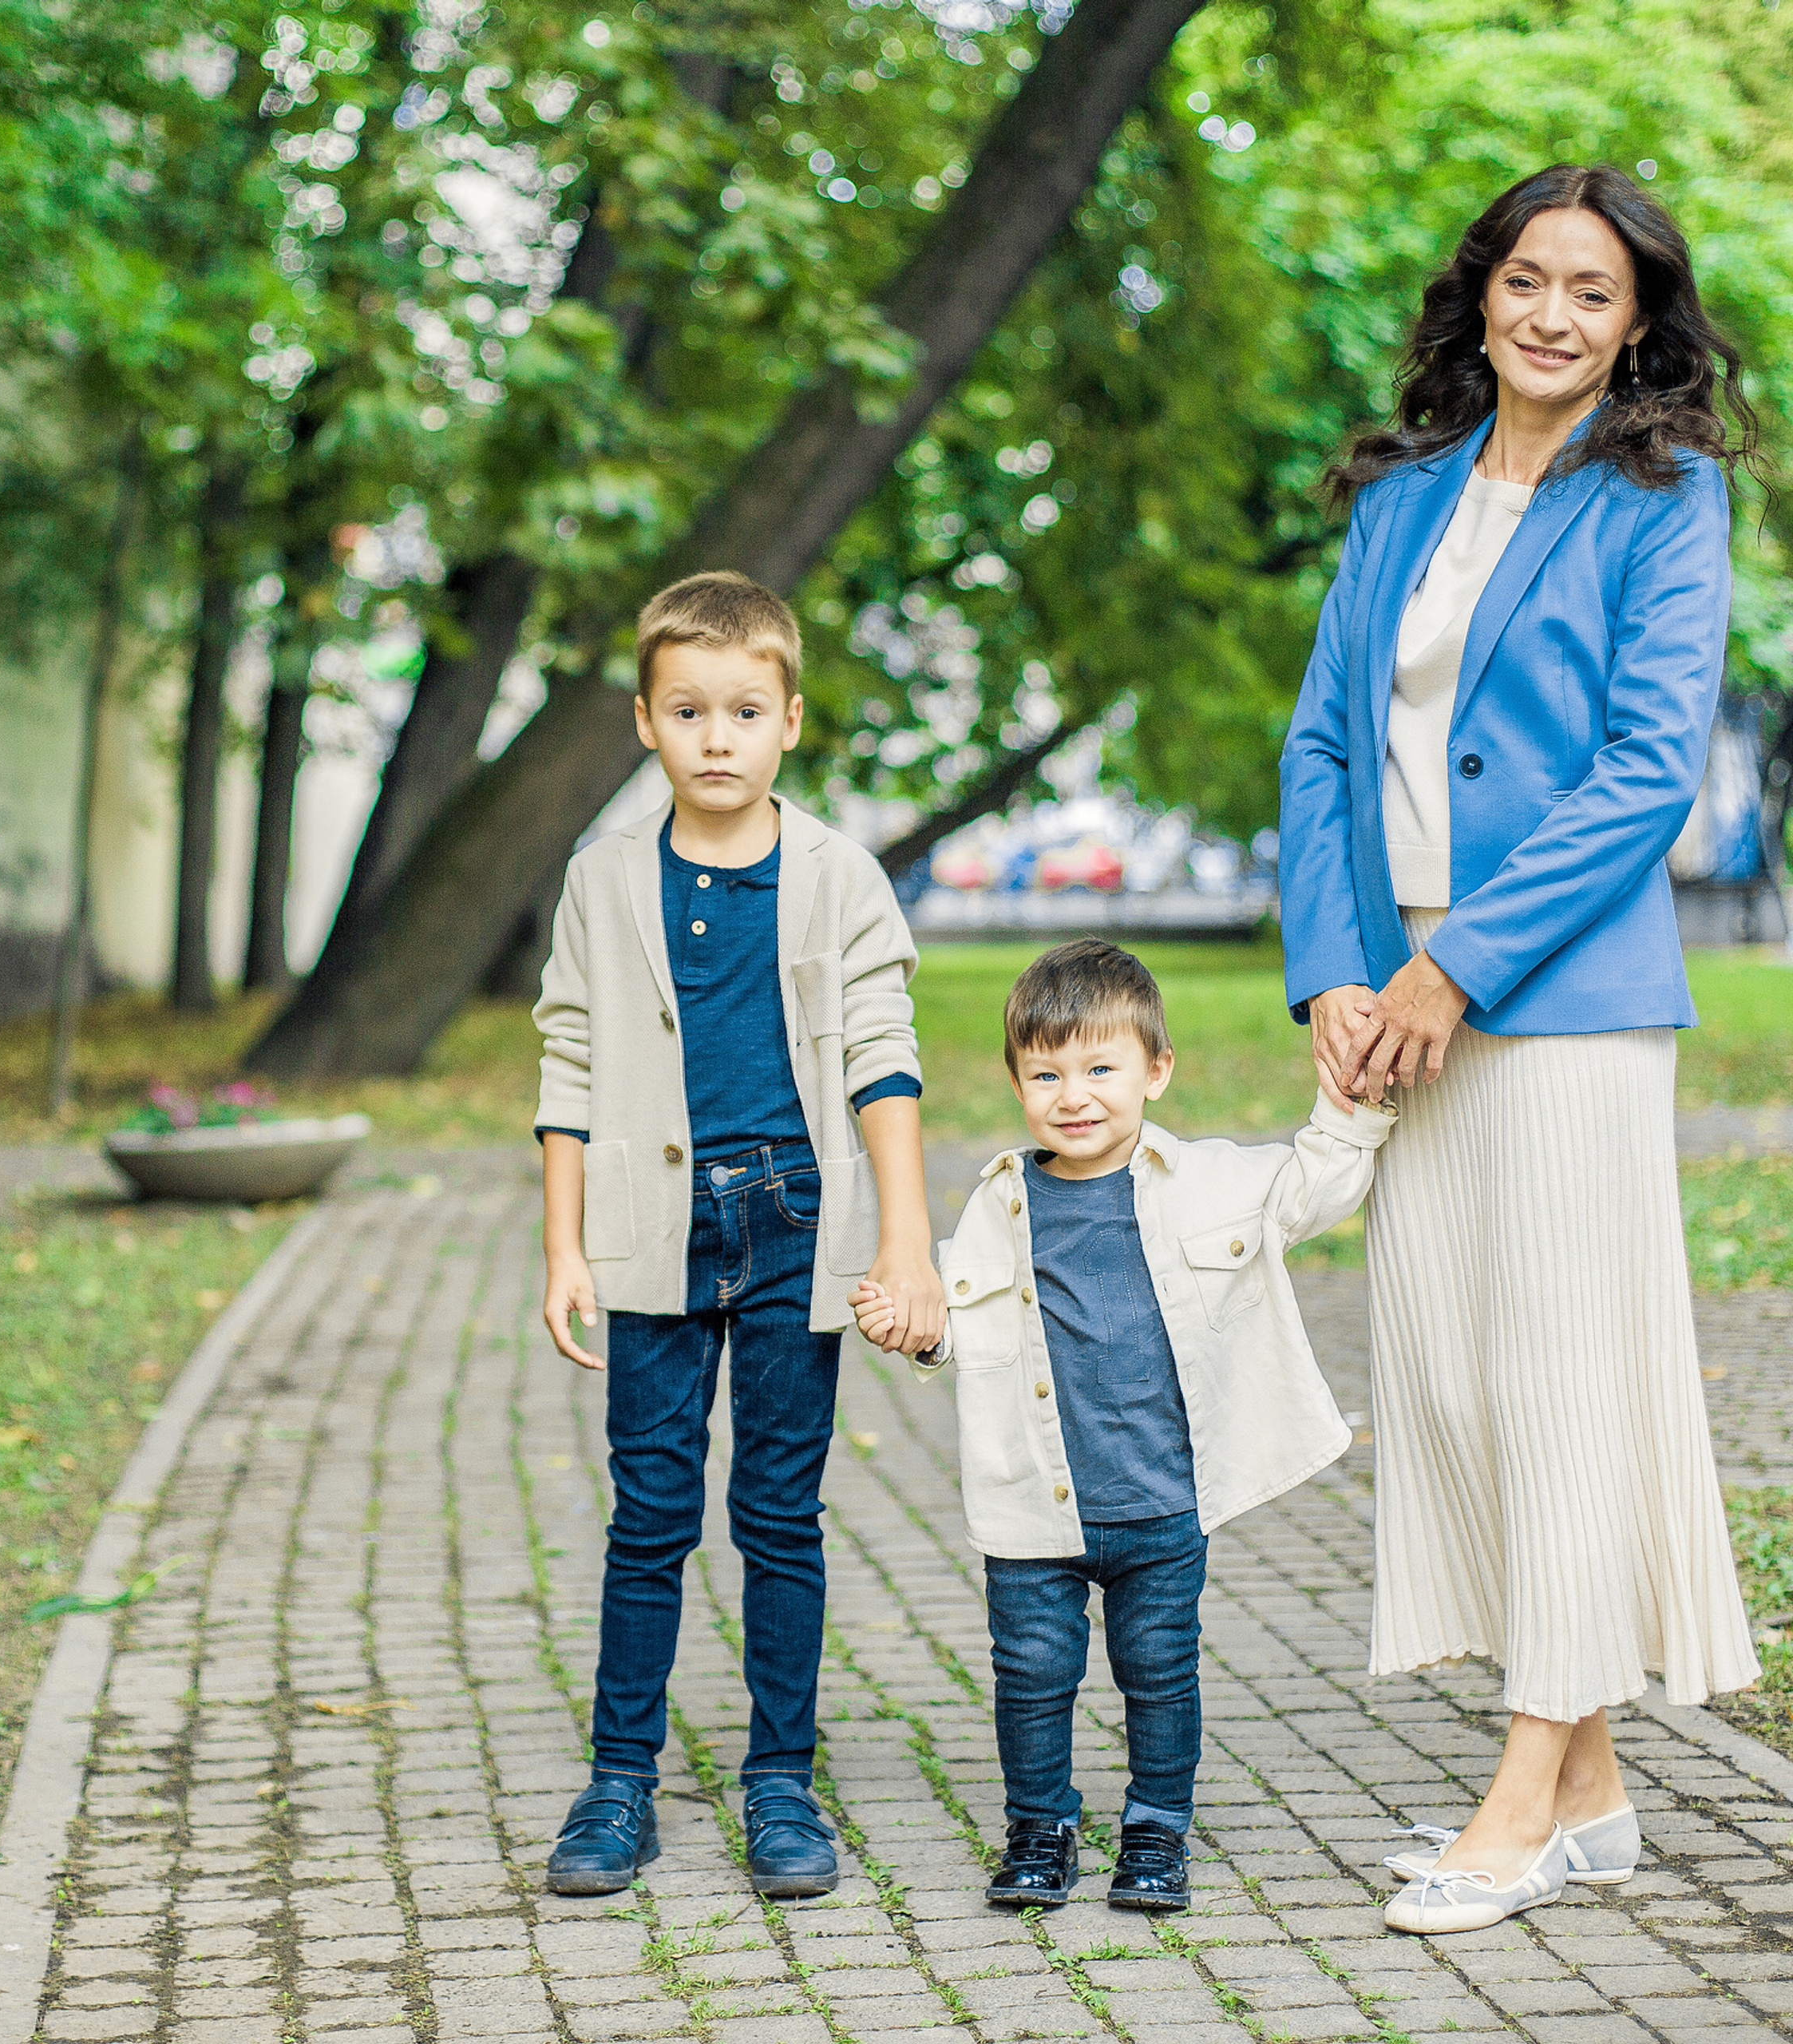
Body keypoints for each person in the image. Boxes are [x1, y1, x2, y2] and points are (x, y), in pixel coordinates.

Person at [1278, 164, 1763, 1938]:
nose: (1551, 314)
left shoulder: (1662, 496)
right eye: (1525, 280)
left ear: (1635, 325)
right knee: (1459, 1381)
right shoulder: (1398, 501)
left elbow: (1644, 770)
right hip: (1388, 989)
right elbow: (1319, 748)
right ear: (1478, 294)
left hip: (1553, 1007)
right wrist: (1340, 965)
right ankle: (1596, 1789)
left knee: (1559, 1383)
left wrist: (1453, 970)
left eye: (1591, 291)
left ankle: (1517, 1794)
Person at [531, 569, 943, 1899]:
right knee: (649, 1513)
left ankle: (781, 1782)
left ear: (791, 721)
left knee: (780, 1513)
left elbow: (885, 1063)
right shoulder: (602, 883)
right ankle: (618, 1784)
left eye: (745, 711)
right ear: (645, 722)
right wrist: (567, 1246)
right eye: (690, 710)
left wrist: (905, 1242)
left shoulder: (835, 878)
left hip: (791, 1222)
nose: (718, 738)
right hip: (654, 1227)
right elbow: (570, 1065)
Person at [852, 940, 1393, 1911]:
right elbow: (958, 1326)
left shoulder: (1212, 1182)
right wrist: (913, 1329)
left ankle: (1156, 1825)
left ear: (1157, 1069)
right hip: (1033, 1512)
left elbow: (1315, 1185)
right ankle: (1039, 1824)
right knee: (1030, 1674)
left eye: (1101, 1069)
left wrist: (1354, 1101)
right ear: (1017, 1081)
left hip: (1159, 1501)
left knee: (1158, 1670)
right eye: (1046, 1073)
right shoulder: (997, 1203)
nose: (1075, 1095)